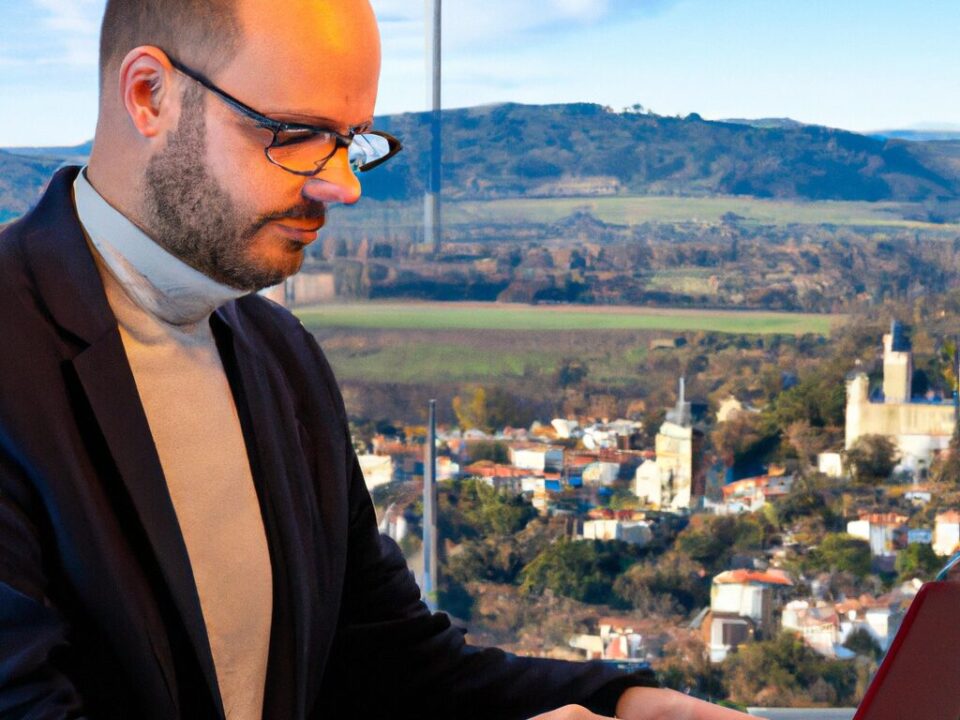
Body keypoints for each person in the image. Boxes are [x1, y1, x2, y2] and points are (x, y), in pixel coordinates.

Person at [0, 1, 749, 718]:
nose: (345, 186)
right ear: (148, 94)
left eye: (352, 141)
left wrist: (618, 701)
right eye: (295, 133)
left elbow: (380, 661)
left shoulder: (282, 357)